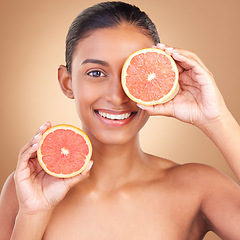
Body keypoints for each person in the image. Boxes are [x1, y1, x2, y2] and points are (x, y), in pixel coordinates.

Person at [0, 1, 240, 239]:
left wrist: (216, 119)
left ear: (157, 82)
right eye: (96, 73)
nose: (117, 96)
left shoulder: (198, 188)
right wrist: (32, 215)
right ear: (67, 82)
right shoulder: (27, 190)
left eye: (133, 73)